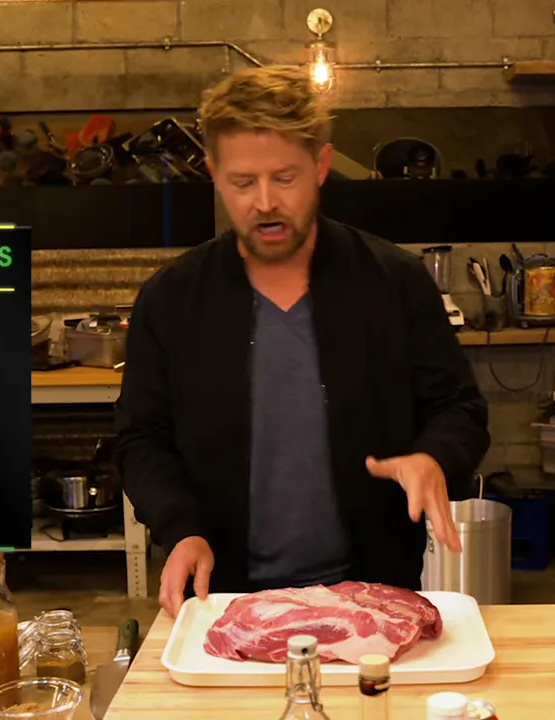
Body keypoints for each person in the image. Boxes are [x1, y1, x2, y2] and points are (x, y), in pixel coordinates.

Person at [113, 65, 490, 617]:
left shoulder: (394, 281)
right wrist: (182, 528)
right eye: (243, 182)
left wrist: (433, 456)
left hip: (372, 597)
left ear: (321, 166)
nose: (265, 202)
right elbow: (140, 437)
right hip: (225, 597)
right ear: (215, 174)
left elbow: (459, 407)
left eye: (284, 178)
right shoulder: (173, 299)